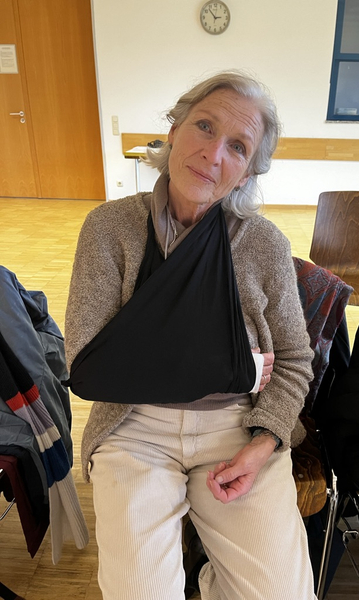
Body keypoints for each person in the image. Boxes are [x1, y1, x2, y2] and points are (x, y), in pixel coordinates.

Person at [65, 71, 316, 600]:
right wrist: (233, 365)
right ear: (174, 131)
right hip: (135, 427)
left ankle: (211, 578)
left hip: (237, 429)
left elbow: (294, 360)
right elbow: (86, 365)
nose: (213, 153)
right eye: (204, 126)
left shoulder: (264, 244)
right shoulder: (110, 228)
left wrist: (264, 441)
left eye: (238, 147)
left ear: (247, 173)